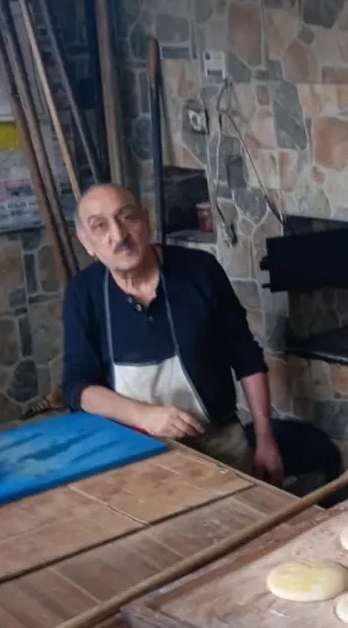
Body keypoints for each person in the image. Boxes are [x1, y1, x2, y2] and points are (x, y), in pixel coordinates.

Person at [61, 183, 283, 484]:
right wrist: (144, 417)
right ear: (87, 243)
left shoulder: (200, 271)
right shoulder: (83, 293)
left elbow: (246, 358)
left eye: (127, 218)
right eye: (100, 226)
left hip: (219, 444)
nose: (119, 235)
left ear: (146, 218)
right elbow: (78, 388)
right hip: (131, 451)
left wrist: (265, 438)